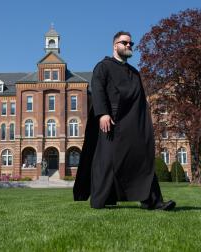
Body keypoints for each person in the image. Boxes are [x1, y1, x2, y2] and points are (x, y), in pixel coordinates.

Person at [73, 31, 176, 210]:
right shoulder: (103, 67)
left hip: (132, 123)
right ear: (115, 45)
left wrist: (143, 126)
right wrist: (103, 114)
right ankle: (100, 200)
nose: (129, 46)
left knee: (142, 158)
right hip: (110, 122)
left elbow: (140, 100)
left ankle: (153, 201)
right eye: (124, 43)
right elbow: (97, 90)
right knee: (106, 161)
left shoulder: (133, 73)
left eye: (131, 44)